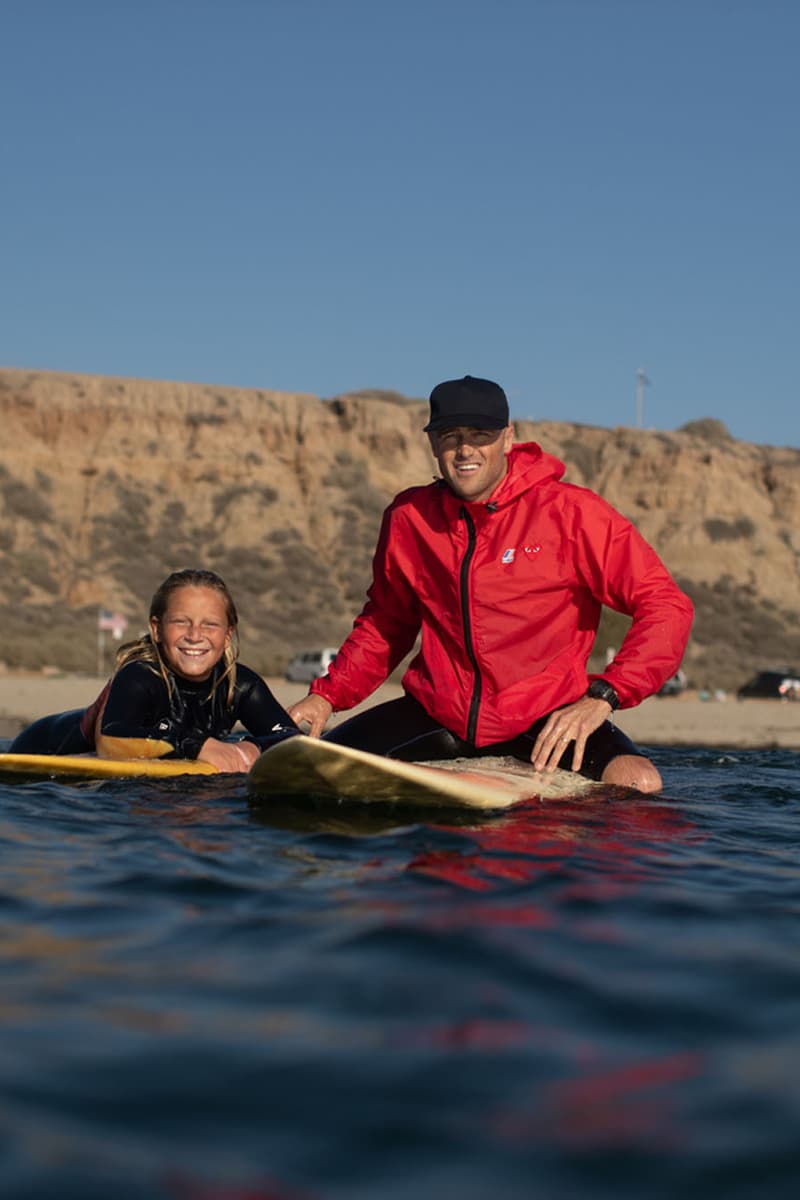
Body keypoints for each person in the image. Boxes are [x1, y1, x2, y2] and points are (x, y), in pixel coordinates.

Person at [287, 375, 694, 793]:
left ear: (507, 438)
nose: (465, 450)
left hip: (545, 717)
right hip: (440, 714)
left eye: (480, 435)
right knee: (305, 768)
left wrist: (604, 697)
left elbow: (665, 605)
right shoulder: (409, 518)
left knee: (638, 781)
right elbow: (386, 624)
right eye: (450, 435)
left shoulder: (570, 513)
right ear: (433, 444)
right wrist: (327, 696)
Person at [10, 569, 299, 772]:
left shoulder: (241, 685)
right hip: (41, 749)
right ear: (157, 629)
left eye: (209, 624)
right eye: (181, 622)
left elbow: (291, 739)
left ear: (228, 634)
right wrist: (196, 746)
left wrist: (252, 748)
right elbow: (112, 740)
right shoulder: (140, 676)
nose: (195, 635)